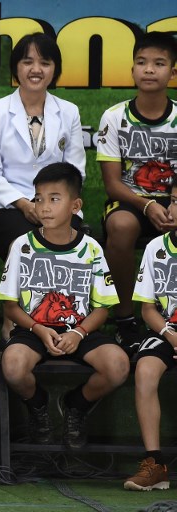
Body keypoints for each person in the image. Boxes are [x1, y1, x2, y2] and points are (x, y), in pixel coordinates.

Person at [0, 162, 129, 449]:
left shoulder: (92, 248)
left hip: (79, 330)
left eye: (54, 199)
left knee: (118, 365)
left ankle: (76, 405)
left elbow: (103, 308)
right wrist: (40, 330)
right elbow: (10, 306)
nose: (44, 207)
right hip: (34, 329)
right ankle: (39, 405)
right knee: (13, 366)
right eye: (38, 198)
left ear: (75, 205)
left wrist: (78, 333)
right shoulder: (22, 245)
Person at [0, 32, 86, 344]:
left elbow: (75, 170)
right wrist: (26, 204)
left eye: (44, 62)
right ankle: (15, 324)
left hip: (59, 204)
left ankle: (61, 325)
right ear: (16, 69)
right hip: (6, 205)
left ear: (54, 69)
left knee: (63, 244)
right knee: (22, 246)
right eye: (27, 61)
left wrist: (52, 204)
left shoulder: (69, 112)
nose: (35, 69)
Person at [97, 31, 177, 352]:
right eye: (141, 62)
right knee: (120, 227)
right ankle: (126, 321)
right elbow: (112, 183)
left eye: (158, 63)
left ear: (172, 73)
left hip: (172, 200)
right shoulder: (115, 117)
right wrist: (147, 206)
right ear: (131, 70)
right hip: (129, 201)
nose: (148, 69)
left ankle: (167, 318)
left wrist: (174, 202)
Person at [123, 178, 177, 491]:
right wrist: (170, 335)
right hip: (166, 329)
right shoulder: (157, 247)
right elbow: (147, 310)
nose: (172, 207)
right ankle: (154, 465)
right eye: (172, 199)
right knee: (144, 369)